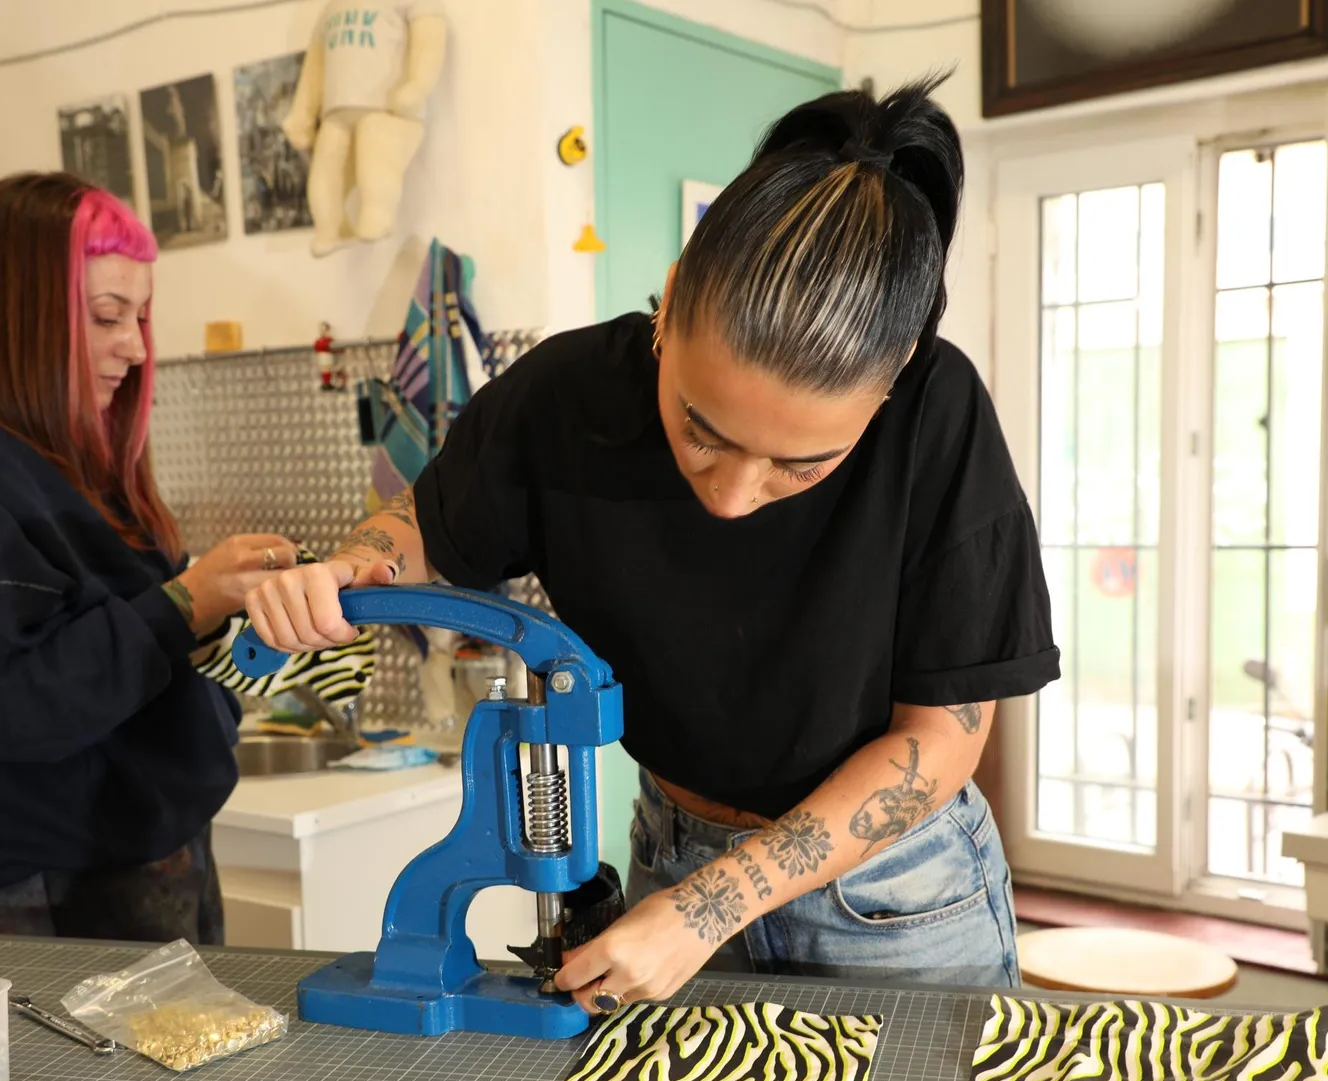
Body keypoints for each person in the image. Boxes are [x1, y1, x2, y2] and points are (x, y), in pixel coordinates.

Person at [245, 79, 1059, 1010]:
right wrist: (354, 568)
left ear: (895, 374)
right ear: (670, 304)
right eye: (701, 430)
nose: (732, 496)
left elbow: (941, 740)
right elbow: (427, 529)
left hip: (894, 899)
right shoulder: (567, 395)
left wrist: (710, 908)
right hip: (672, 864)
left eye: (800, 464)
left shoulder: (938, 415)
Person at [0, 174, 293, 944]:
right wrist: (188, 601)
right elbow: (4, 703)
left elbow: (124, 648)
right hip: (63, 888)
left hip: (156, 851)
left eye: (142, 316)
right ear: (12, 317)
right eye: (106, 316)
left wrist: (222, 619)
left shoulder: (67, 459)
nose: (138, 347)